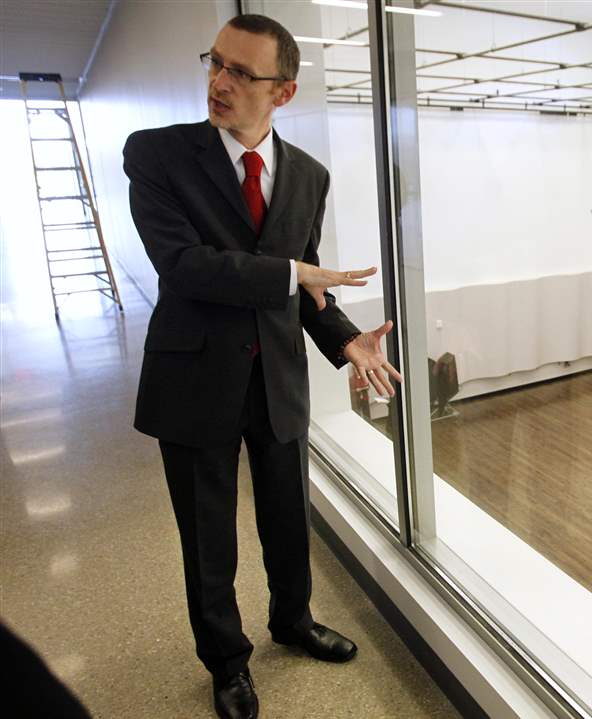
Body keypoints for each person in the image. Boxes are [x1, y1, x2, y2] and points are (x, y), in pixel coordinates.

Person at [122, 14, 403, 719]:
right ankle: (226, 663)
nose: (219, 81)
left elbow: (306, 283)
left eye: (242, 72)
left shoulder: (309, 175)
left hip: (277, 377)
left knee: (287, 518)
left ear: (283, 92)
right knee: (207, 536)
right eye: (216, 62)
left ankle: (293, 620)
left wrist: (345, 339)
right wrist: (294, 273)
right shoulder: (156, 155)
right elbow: (184, 267)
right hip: (193, 378)